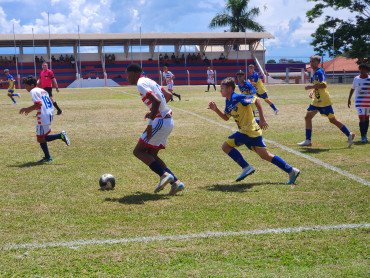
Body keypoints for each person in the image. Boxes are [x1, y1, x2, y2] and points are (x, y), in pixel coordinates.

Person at [208, 77, 300, 184]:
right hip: (253, 132)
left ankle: (246, 167)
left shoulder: (238, 97)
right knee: (265, 155)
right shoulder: (228, 101)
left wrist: (262, 119)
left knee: (225, 146)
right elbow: (226, 117)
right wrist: (216, 109)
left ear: (229, 89)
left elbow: (257, 100)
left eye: (222, 88)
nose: (220, 90)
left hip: (248, 131)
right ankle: (291, 171)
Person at [125, 63, 185, 196]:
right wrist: (155, 111)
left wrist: (150, 123)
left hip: (161, 122)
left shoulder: (141, 83)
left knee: (138, 151)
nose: (126, 77)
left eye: (127, 74)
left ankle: (164, 175)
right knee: (151, 155)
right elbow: (168, 95)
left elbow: (157, 101)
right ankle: (176, 183)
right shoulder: (149, 80)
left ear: (134, 73)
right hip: (167, 120)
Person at [297, 55, 355, 147]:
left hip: (323, 101)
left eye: (313, 61)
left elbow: (324, 85)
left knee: (332, 120)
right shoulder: (315, 72)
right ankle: (308, 140)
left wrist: (310, 87)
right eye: (311, 61)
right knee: (307, 117)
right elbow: (318, 85)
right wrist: (312, 91)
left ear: (318, 63)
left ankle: (349, 135)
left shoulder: (319, 72)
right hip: (316, 100)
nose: (311, 63)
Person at [19, 75, 70, 163]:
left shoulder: (33, 91)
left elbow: (38, 104)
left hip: (42, 116)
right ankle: (47, 157)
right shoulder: (42, 90)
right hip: (48, 114)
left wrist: (27, 109)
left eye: (26, 86)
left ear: (32, 85)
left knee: (40, 138)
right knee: (42, 136)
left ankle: (60, 135)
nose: (25, 88)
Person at [348, 63, 370, 143]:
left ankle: (365, 135)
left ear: (367, 71)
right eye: (360, 69)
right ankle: (363, 136)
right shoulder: (356, 79)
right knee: (361, 118)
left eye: (363, 69)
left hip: (368, 102)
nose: (361, 70)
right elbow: (352, 89)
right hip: (359, 102)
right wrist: (349, 99)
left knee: (367, 118)